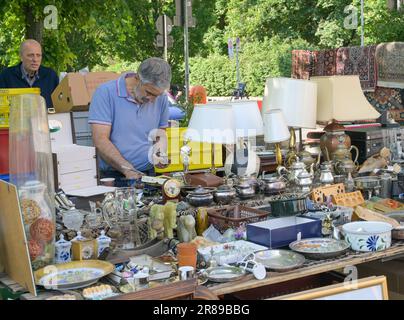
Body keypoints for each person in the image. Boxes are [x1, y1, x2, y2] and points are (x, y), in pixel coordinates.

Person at [88, 57, 171, 187]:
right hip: (114, 177)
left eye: (157, 95)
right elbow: (100, 140)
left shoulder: (161, 98)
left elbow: (160, 134)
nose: (153, 100)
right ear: (137, 78)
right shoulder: (105, 93)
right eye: (149, 93)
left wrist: (159, 155)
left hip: (149, 175)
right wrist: (127, 169)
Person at [0, 39, 59, 108]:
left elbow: (60, 104)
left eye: (38, 55)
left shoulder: (51, 76)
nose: (35, 59)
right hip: (17, 118)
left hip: (46, 118)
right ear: (21, 56)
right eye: (31, 55)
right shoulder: (6, 76)